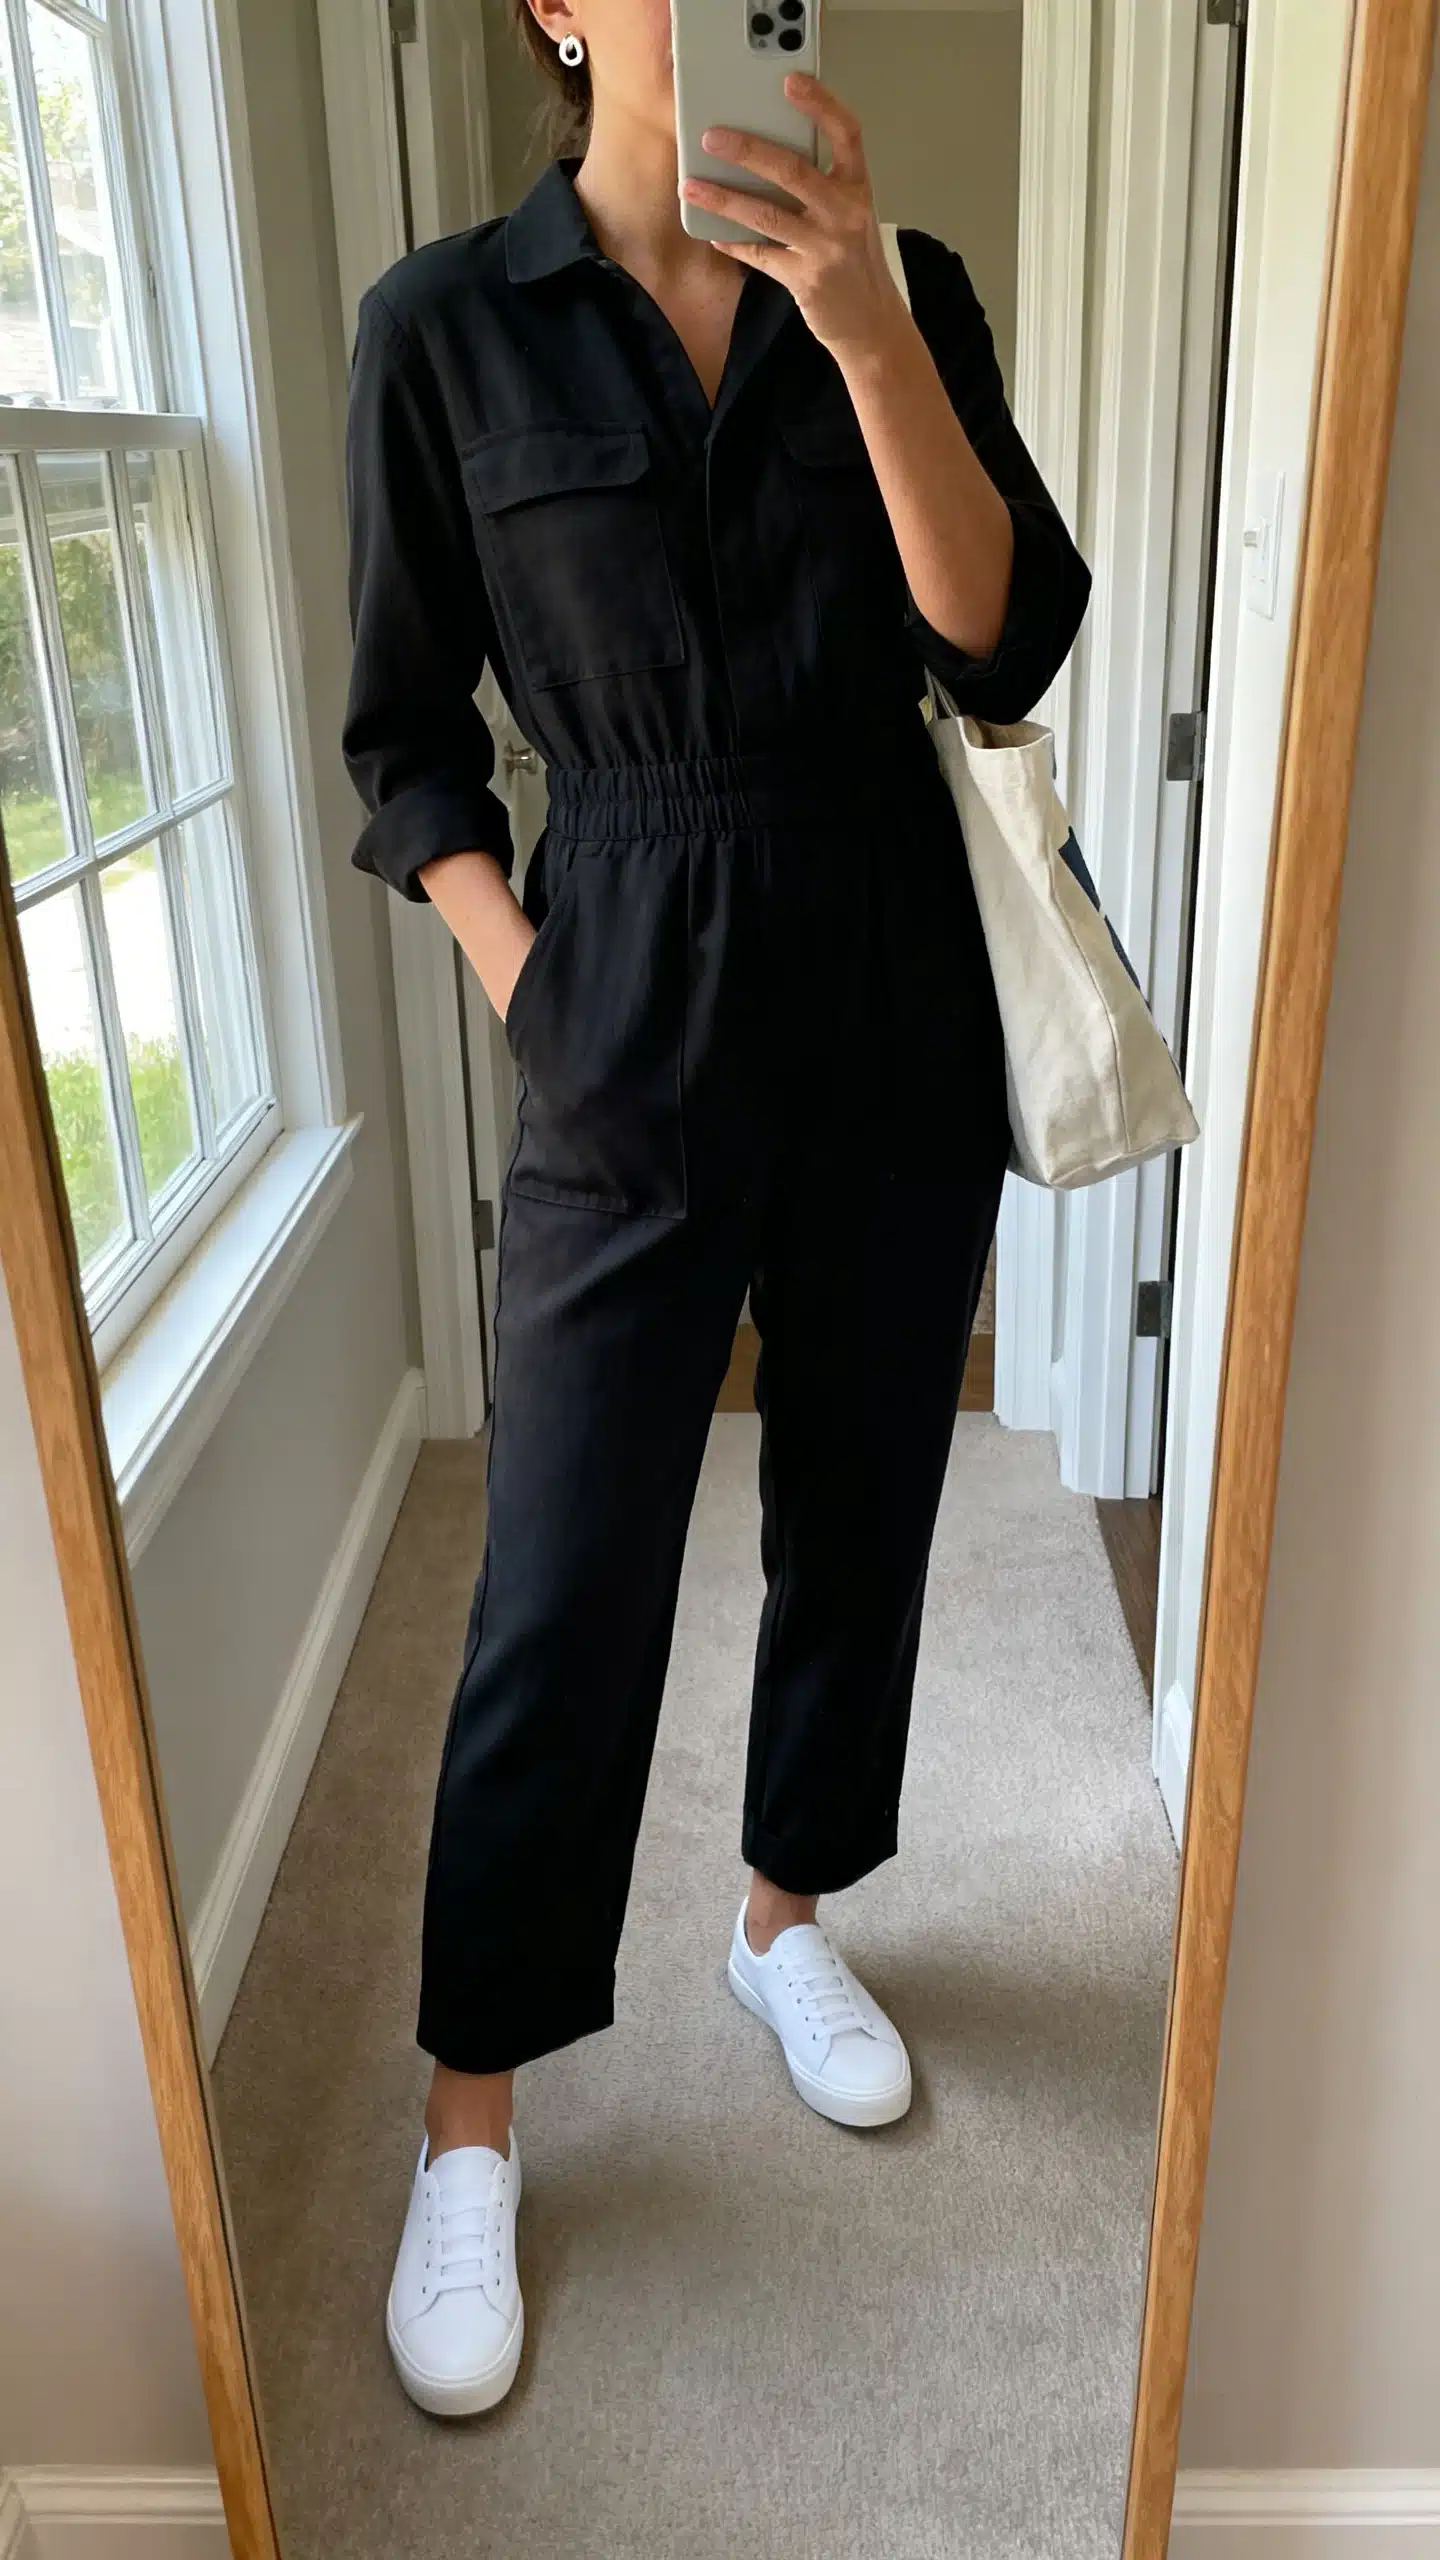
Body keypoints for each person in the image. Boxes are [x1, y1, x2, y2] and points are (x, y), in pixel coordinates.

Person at [342, 0, 1090, 2421]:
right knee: (560, 1572)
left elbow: (1000, 639)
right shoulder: (444, 328)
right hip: (622, 988)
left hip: (884, 972)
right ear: (557, 6)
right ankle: (472, 2112)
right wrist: (535, 983)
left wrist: (867, 320)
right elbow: (407, 734)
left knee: (861, 1512)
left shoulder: (912, 284)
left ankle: (785, 1918)